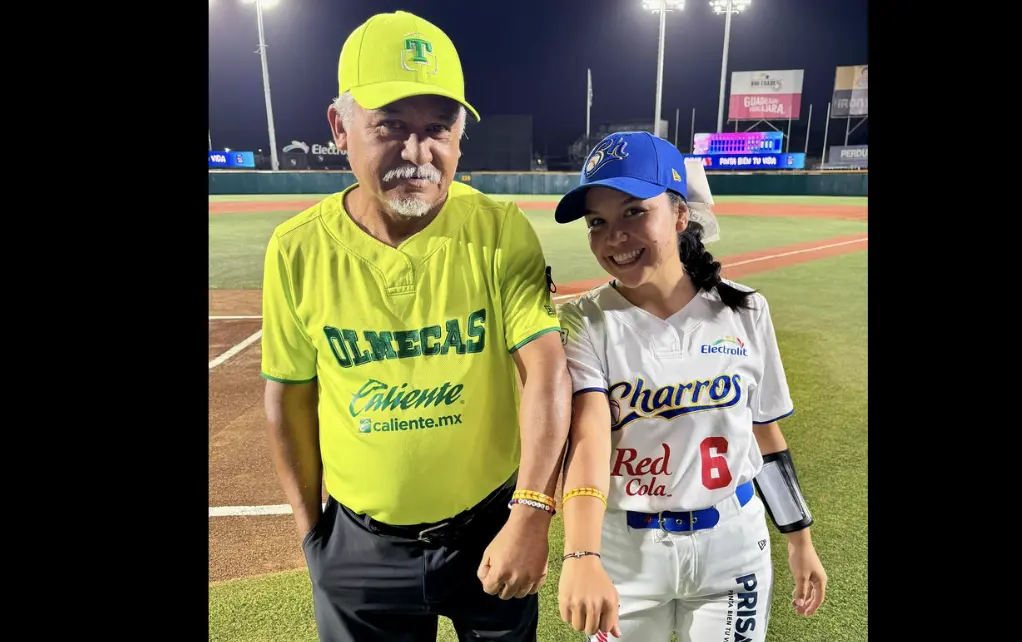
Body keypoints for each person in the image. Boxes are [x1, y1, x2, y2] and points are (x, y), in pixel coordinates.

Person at [258, 10, 571, 642]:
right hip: (360, 546)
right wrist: (313, 534)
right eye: (389, 127)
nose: (416, 153)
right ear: (339, 128)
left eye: (437, 130)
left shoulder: (498, 229)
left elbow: (545, 368)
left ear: (460, 136)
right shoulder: (296, 249)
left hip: (490, 527)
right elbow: (288, 396)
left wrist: (532, 513)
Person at [551, 131, 828, 641]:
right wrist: (582, 554)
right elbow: (587, 446)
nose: (614, 237)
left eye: (634, 212)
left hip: (733, 549)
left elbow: (764, 436)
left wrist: (799, 538)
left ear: (680, 216)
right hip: (625, 553)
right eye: (598, 223)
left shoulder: (745, 310)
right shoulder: (583, 321)